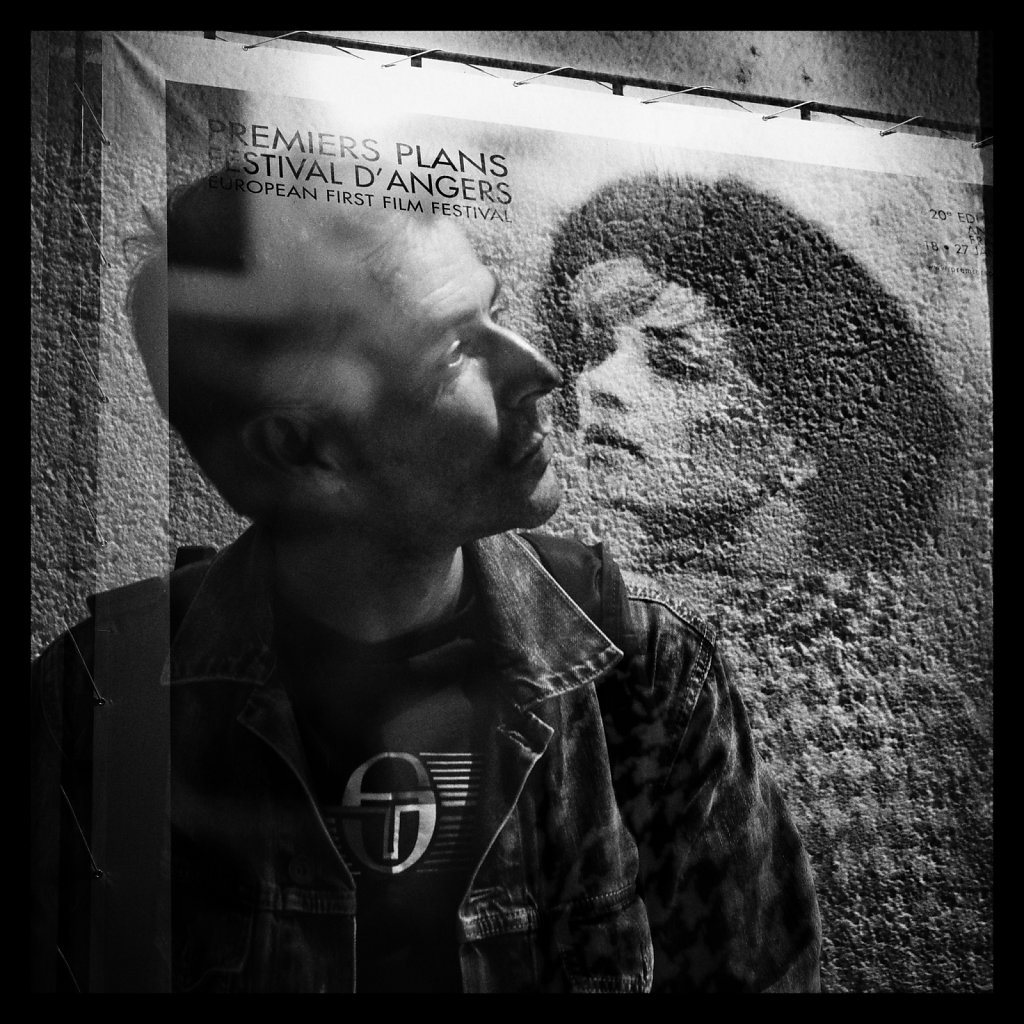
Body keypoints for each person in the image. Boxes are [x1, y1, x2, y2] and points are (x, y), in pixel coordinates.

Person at [31, 169, 821, 993]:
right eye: (453, 350)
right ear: (301, 450)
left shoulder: (641, 675)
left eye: (496, 312)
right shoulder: (105, 708)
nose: (543, 370)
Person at [538, 174, 960, 582]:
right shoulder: (590, 599)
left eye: (676, 363)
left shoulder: (847, 623)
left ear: (801, 444)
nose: (600, 383)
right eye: (596, 350)